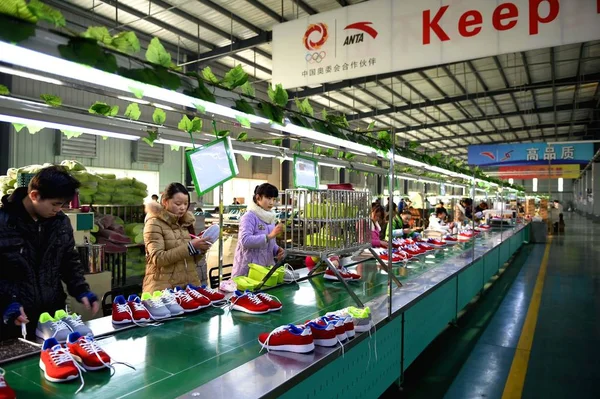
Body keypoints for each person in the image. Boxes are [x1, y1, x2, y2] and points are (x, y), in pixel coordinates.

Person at [0, 166, 99, 340]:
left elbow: (69, 260)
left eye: (62, 204)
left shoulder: (60, 222)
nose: (58, 209)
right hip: (13, 318)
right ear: (34, 195)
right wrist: (5, 303)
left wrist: (81, 290)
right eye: (55, 204)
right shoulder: (4, 222)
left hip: (53, 317)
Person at [143, 183, 211, 293]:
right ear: (165, 202)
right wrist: (189, 247)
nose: (183, 207)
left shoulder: (185, 223)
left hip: (188, 288)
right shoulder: (154, 224)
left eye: (185, 203)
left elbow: (191, 260)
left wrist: (200, 249)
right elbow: (158, 258)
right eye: (178, 204)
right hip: (164, 290)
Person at [232, 183, 284, 277]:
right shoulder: (249, 217)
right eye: (268, 198)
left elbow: (268, 242)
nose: (271, 202)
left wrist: (277, 250)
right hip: (248, 273)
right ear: (258, 197)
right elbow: (245, 240)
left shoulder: (270, 217)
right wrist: (269, 236)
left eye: (273, 199)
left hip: (264, 271)